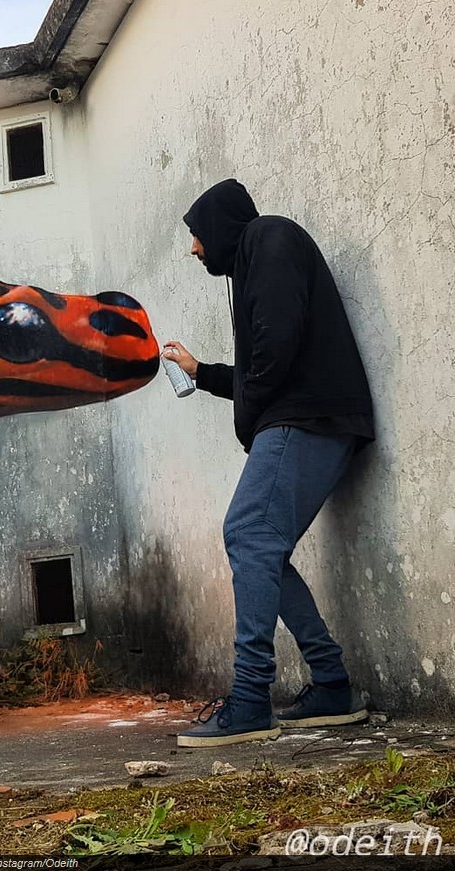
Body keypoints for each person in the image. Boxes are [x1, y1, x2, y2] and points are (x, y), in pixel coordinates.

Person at [165, 178, 374, 748]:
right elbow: (264, 361)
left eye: (195, 235)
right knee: (258, 544)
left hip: (308, 420)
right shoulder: (258, 256)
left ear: (218, 225)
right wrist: (202, 370)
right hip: (309, 418)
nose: (194, 249)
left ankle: (252, 698)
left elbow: (275, 348)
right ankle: (331, 685)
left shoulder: (271, 239)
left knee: (248, 534)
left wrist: (254, 410)